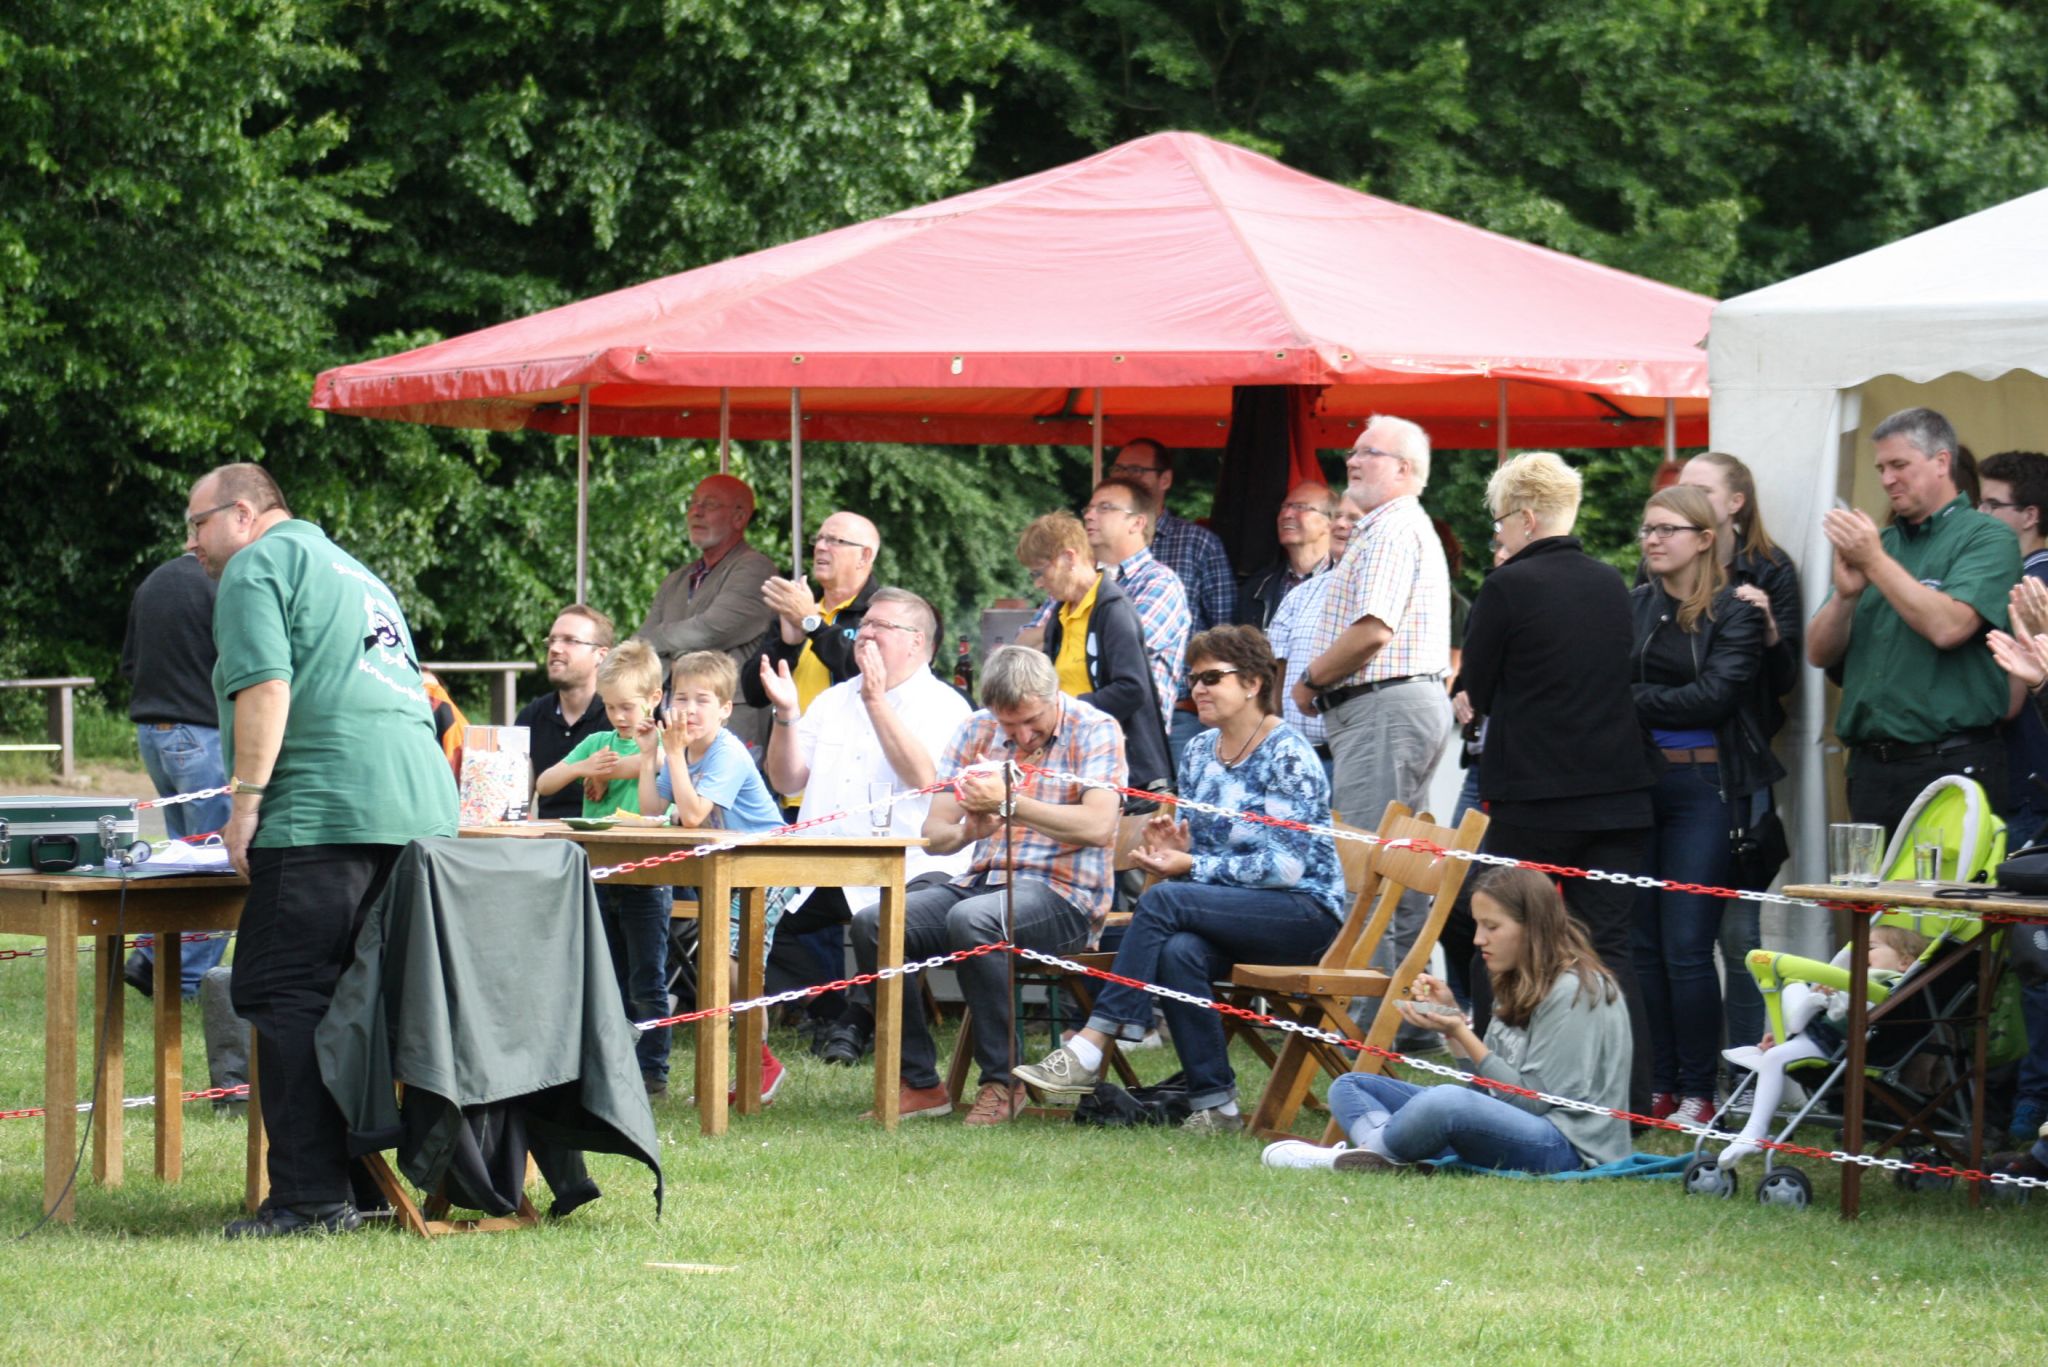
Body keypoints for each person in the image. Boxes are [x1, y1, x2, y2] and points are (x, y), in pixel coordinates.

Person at [183, 462, 457, 1238]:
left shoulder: (256, 566)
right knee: (356, 1001)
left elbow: (266, 687)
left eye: (198, 524)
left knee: (285, 992)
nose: (191, 544)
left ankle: (309, 1199)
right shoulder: (357, 571)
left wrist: (245, 804)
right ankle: (362, 1187)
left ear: (243, 513)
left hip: (323, 808)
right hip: (418, 812)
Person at [1013, 626, 1346, 1132]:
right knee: (1178, 951)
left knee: (1166, 901)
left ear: (1253, 683)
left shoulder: (1288, 754)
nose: (1198, 689)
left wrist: (1190, 867)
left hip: (1304, 915)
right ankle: (1217, 1105)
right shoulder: (1199, 751)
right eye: (1193, 679)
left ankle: (1093, 1042)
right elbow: (1210, 854)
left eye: (1212, 678)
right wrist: (1177, 848)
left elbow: (1286, 867)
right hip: (1233, 911)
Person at [1454, 452, 1658, 1111]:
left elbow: (1478, 685)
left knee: (1499, 936)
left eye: (1499, 523)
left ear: (1526, 517)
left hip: (1534, 794)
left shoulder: (1507, 586)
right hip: (1618, 790)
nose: (1498, 535)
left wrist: (1476, 692)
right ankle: (1628, 1099)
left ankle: (1498, 1083)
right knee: (1610, 948)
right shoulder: (1611, 582)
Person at [850, 646, 1122, 1126]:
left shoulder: (1095, 728)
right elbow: (936, 834)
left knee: (973, 919)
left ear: (1053, 695)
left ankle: (1002, 1082)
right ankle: (919, 1082)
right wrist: (966, 833)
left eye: (1031, 721)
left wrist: (1011, 802)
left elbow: (1099, 826)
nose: (1021, 735)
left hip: (1066, 897)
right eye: (1008, 726)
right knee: (875, 922)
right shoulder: (975, 728)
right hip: (982, 883)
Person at [1261, 866, 1631, 1174]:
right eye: (1477, 925)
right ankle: (1381, 1154)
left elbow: (1532, 1103)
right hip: (1523, 1125)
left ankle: (1362, 1156)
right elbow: (1485, 1091)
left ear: (1533, 927)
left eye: (1492, 927)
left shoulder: (1574, 991)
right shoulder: (1518, 974)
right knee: (1351, 1085)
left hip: (1567, 1147)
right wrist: (1453, 1023)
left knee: (1446, 1102)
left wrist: (1459, 1032)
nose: (1478, 939)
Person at [756, 589, 975, 1065]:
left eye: (881, 626)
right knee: (753, 917)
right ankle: (839, 1012)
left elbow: (925, 778)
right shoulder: (833, 699)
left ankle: (858, 1019)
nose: (865, 633)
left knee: (883, 925)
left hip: (914, 866)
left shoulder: (947, 706)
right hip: (827, 861)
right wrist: (785, 715)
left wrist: (876, 701)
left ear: (916, 642)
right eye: (865, 624)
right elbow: (786, 779)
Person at [1629, 485, 1774, 1124]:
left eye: (1668, 529)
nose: (1653, 540)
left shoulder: (1735, 610)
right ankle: (1659, 1083)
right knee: (1642, 944)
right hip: (1637, 785)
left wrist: (1632, 701)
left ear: (1705, 538)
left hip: (1703, 788)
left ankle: (1699, 1089)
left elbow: (1715, 697)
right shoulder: (1633, 604)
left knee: (1687, 945)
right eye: (1647, 529)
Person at [1807, 406, 2020, 837]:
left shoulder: (1987, 536)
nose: (1887, 479)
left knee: (1948, 886)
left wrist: (1874, 563)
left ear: (1941, 462)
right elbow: (1817, 653)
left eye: (1899, 464)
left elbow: (1949, 628)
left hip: (1951, 762)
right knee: (1873, 886)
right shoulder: (1881, 543)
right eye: (1881, 468)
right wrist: (1845, 598)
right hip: (1871, 767)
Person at [1294, 415, 1452, 965]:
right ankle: (1403, 1005)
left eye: (1368, 453)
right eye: (1353, 451)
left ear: (1404, 469)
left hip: (1383, 708)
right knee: (1399, 872)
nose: (1352, 461)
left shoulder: (1389, 529)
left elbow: (1372, 630)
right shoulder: (1394, 526)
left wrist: (1310, 681)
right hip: (1397, 707)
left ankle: (1362, 1009)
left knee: (1363, 871)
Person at [1671, 451, 1803, 1055]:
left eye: (1700, 489)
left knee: (1738, 929)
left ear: (1734, 503)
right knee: (1679, 932)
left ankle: (1750, 1064)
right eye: (1681, 487)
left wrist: (1769, 630)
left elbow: (1787, 681)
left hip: (1739, 766)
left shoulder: (1769, 569)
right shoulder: (1667, 561)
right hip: (1673, 765)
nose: (1686, 496)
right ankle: (1691, 1065)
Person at [636, 650, 789, 1099]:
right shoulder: (682, 752)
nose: (688, 710)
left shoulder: (727, 752)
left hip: (770, 864)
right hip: (729, 868)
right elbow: (651, 809)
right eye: (681, 698)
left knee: (730, 963)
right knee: (723, 964)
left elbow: (691, 815)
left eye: (702, 700)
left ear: (724, 709)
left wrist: (672, 755)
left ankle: (760, 1063)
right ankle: (753, 1065)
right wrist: (648, 757)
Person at [535, 641, 675, 1098]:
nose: (618, 717)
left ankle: (652, 1070)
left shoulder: (660, 741)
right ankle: (612, 1066)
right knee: (606, 975)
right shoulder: (597, 743)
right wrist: (583, 768)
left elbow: (652, 767)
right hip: (598, 875)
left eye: (626, 707)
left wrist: (603, 774)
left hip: (647, 876)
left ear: (654, 699)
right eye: (610, 707)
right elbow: (545, 782)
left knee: (646, 979)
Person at [1713, 924, 1929, 1170]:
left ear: (1904, 962)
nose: (1859, 955)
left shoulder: (1894, 985)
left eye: (1869, 948)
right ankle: (1754, 1131)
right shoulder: (1854, 977)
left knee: (1784, 1041)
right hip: (1822, 1033)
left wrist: (1836, 997)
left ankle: (1804, 1017)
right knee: (1791, 999)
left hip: (1848, 1045)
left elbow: (1873, 1015)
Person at [120, 550, 234, 998]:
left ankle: (153, 955)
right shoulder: (223, 583)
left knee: (184, 857)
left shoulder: (153, 582)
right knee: (220, 860)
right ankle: (180, 977)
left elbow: (129, 664)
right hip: (203, 731)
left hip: (154, 731)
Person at [1020, 510, 1174, 796]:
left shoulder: (1113, 610)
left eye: (1039, 572)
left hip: (1126, 771)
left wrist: (1066, 711)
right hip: (1078, 760)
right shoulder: (1060, 614)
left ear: (1069, 558)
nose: (1038, 583)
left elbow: (1132, 689)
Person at [1107, 438, 1239, 764]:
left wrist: (1206, 698)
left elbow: (1226, 635)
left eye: (1136, 470)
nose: (1125, 477)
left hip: (1181, 711)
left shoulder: (1198, 543)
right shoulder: (1099, 549)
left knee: (1178, 796)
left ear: (1165, 479)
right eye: (1119, 469)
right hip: (1108, 706)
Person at [635, 474, 778, 747]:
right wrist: (665, 655)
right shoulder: (676, 579)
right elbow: (642, 645)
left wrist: (664, 648)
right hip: (670, 726)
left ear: (739, 517)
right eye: (693, 503)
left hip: (730, 726)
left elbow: (710, 630)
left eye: (709, 505)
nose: (696, 512)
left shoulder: (756, 569)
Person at [739, 510, 883, 720]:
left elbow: (872, 677)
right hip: (790, 738)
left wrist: (813, 626)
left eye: (835, 540)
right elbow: (753, 694)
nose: (821, 547)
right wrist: (786, 647)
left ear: (864, 556)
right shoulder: (800, 607)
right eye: (819, 539)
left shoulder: (881, 613)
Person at [1081, 476, 1190, 734]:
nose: (1089, 516)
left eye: (1105, 508)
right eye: (1089, 508)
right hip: (1071, 732)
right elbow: (1025, 641)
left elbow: (1121, 651)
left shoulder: (1161, 583)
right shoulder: (1079, 579)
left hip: (1130, 740)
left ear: (1137, 523)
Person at [1269, 492, 1366, 780]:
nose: (1341, 525)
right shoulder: (1301, 595)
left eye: (1354, 519)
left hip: (1356, 759)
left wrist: (1310, 683)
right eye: (1337, 516)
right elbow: (1275, 676)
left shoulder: (1387, 594)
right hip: (1297, 757)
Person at [1977, 451, 2048, 844]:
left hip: (2027, 785)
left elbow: (2008, 702)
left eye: (1992, 504)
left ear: (2030, 515)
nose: (1980, 513)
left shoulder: (2029, 587)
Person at [514, 605, 615, 822]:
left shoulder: (618, 717)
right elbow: (515, 803)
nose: (555, 648)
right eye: (552, 640)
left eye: (570, 640)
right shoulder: (531, 716)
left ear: (601, 655)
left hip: (606, 838)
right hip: (546, 839)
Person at [1237, 482, 1336, 631]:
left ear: (1330, 522)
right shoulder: (1256, 588)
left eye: (1301, 507)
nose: (1286, 514)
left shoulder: (1348, 582)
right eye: (1284, 507)